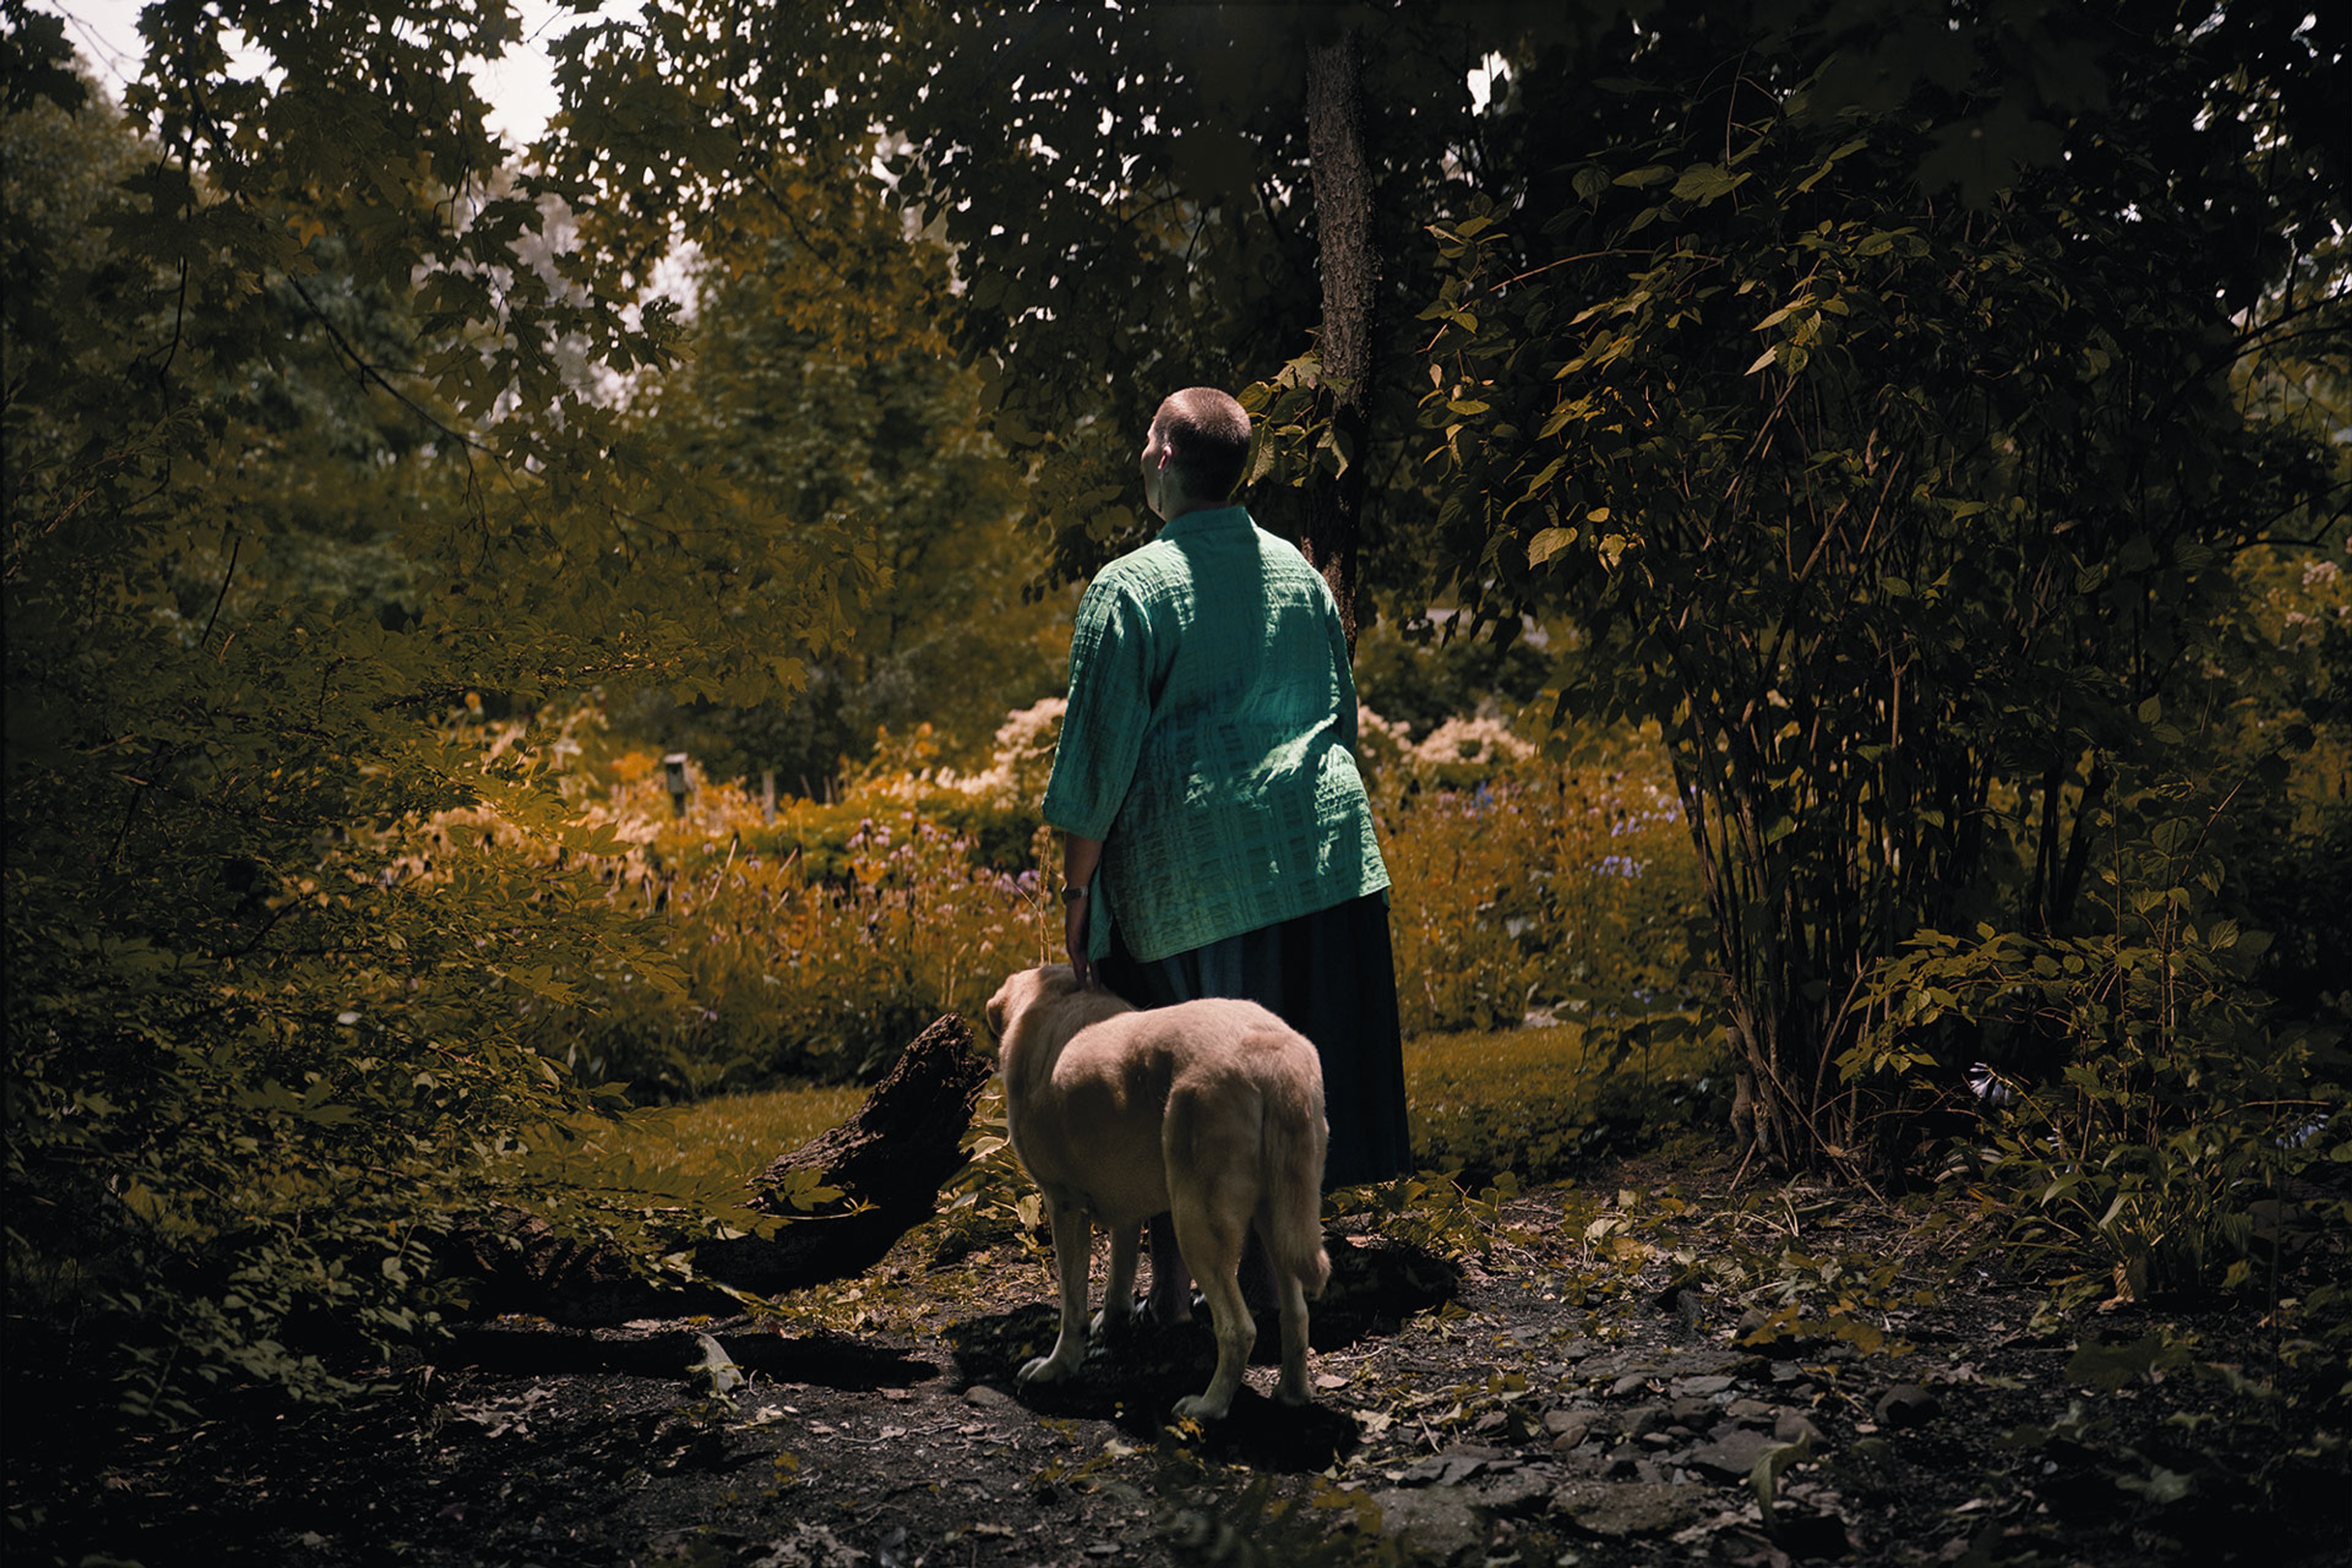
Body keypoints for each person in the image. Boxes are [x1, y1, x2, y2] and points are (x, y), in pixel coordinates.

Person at [1041, 385, 1411, 1317]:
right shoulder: (1298, 572)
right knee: (1287, 1080)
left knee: (1183, 1082)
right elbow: (1342, 720)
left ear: (1166, 456)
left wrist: (1077, 893)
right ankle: (1277, 1275)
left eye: (1143, 441)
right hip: (1321, 856)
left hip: (1195, 878)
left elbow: (1094, 758)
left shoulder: (1128, 588)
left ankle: (1180, 1297)